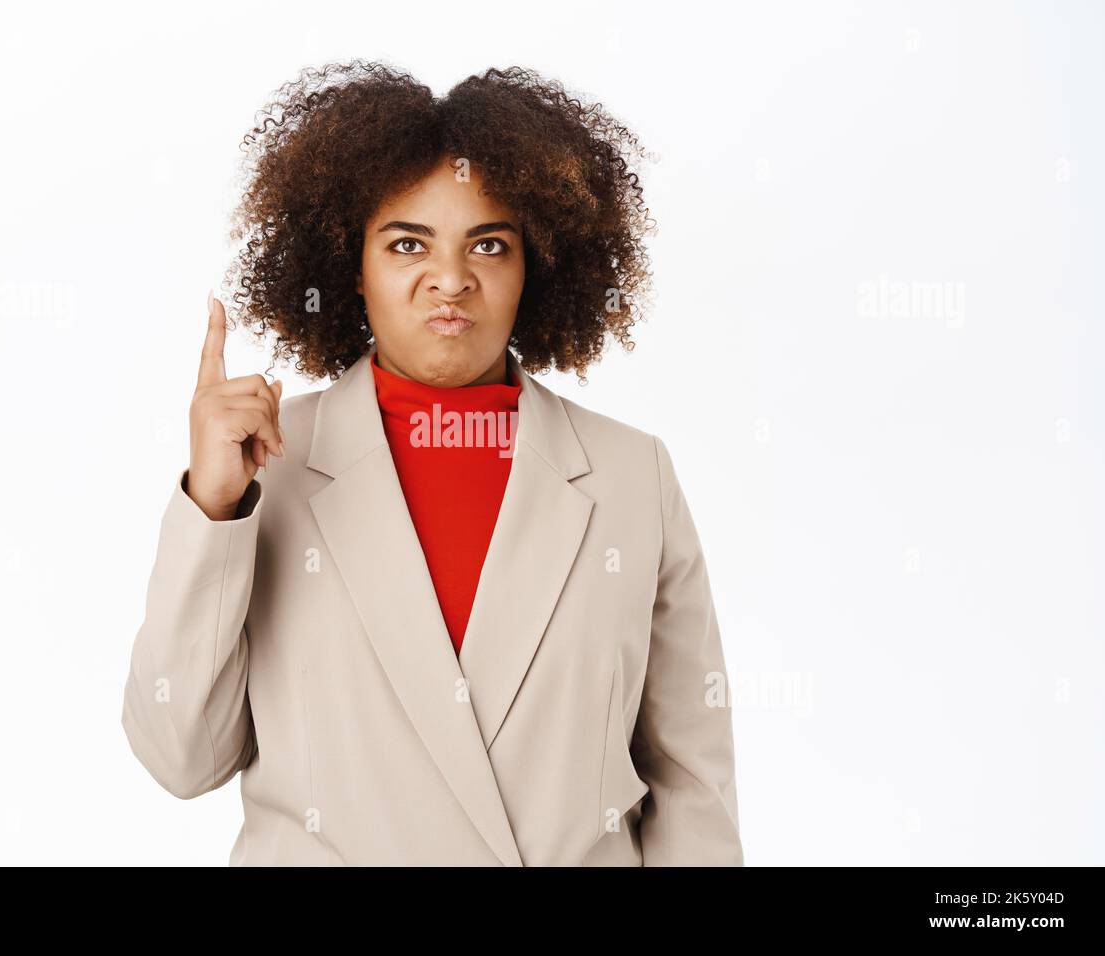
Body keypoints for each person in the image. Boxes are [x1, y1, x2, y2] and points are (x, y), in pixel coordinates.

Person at [121, 60, 743, 866]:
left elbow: (694, 783)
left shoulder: (632, 477)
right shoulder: (261, 469)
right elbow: (180, 758)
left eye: (489, 243)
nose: (450, 280)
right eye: (408, 243)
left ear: (535, 266)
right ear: (352, 264)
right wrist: (212, 509)